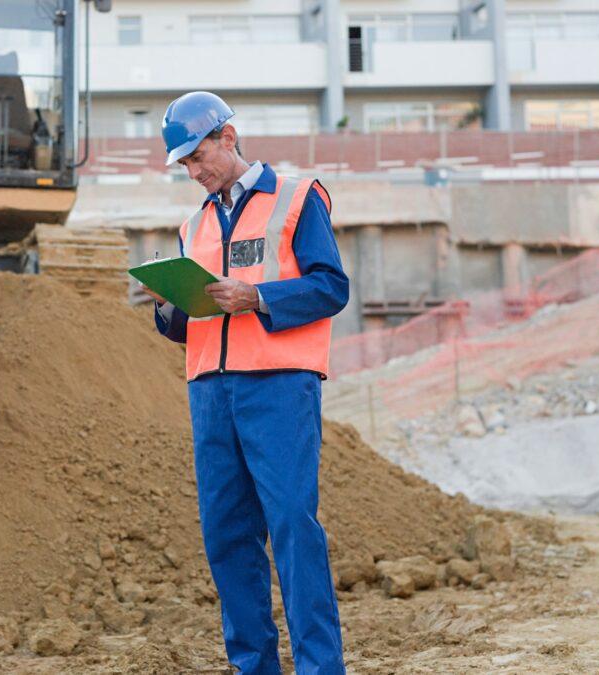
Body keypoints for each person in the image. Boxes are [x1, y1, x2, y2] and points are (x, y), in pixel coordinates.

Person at [144, 91, 349, 675]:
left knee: (291, 525)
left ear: (227, 139)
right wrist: (167, 306)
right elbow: (193, 325)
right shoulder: (194, 226)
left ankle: (319, 667)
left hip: (278, 386)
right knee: (227, 536)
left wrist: (258, 297)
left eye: (197, 156)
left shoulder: (296, 199)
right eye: (184, 164)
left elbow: (332, 287)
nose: (194, 171)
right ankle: (252, 666)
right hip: (210, 393)